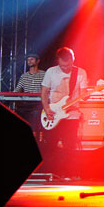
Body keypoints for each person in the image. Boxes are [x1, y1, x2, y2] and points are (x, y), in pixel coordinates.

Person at [41, 47, 88, 179]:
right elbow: (44, 92)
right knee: (51, 145)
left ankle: (68, 173)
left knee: (70, 145)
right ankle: (51, 173)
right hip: (53, 113)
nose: (65, 68)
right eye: (62, 66)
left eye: (68, 66)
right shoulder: (51, 71)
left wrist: (86, 96)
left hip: (72, 115)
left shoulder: (80, 73)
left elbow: (84, 93)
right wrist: (47, 108)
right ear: (58, 61)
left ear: (73, 60)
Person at [14, 53, 46, 136]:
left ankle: (36, 135)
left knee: (36, 114)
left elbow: (48, 88)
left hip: (39, 104)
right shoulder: (24, 76)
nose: (29, 61)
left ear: (37, 61)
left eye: (31, 59)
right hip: (26, 104)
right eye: (28, 60)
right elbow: (17, 89)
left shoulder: (44, 74)